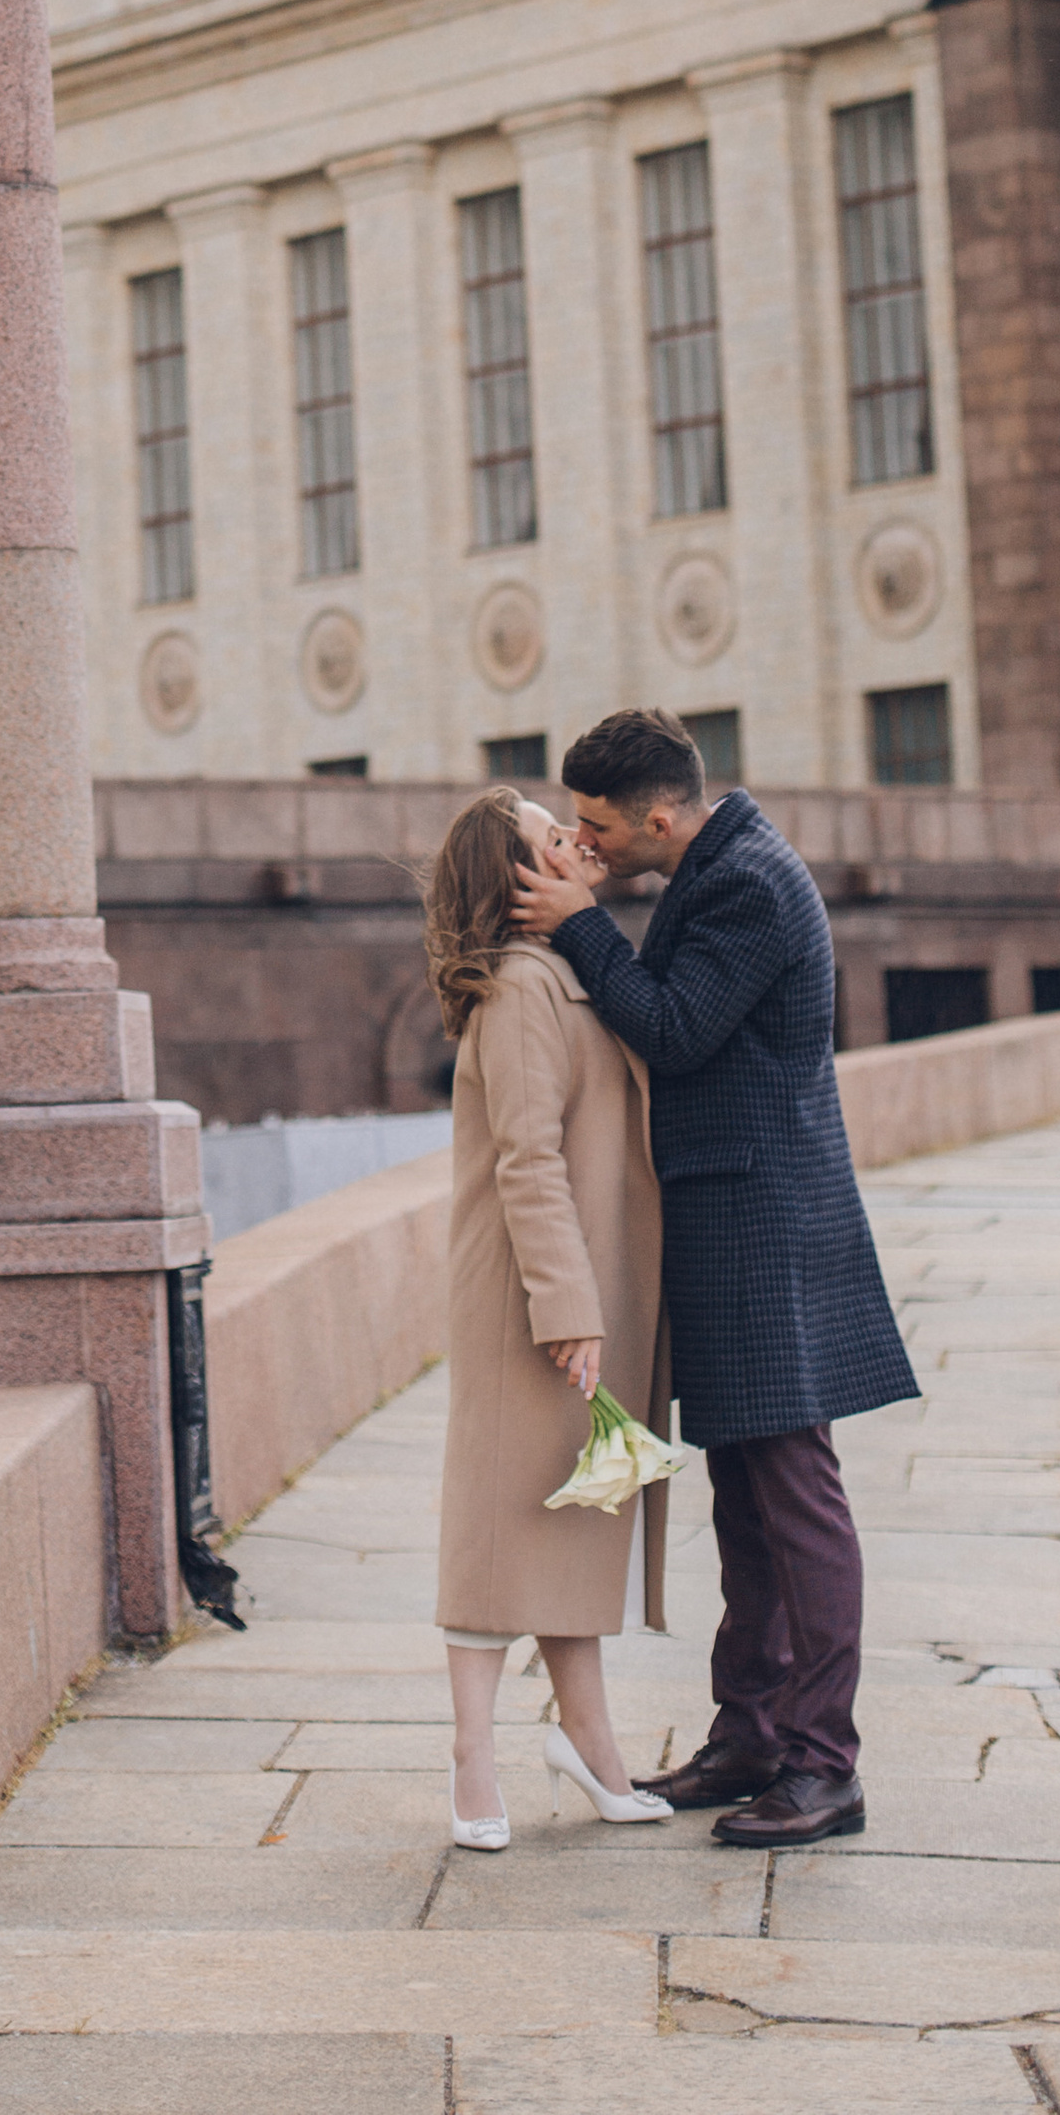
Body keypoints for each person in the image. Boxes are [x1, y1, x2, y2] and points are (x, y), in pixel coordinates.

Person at [511, 707, 917, 1845]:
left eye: (597, 827)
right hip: (732, 1218)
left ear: (657, 817)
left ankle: (825, 1765)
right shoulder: (720, 864)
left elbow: (675, 1030)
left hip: (763, 1226)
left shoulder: (748, 881)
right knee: (745, 1499)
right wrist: (595, 909)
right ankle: (748, 1737)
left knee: (795, 1499)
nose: (586, 844)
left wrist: (582, 924)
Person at [425, 784, 674, 1851]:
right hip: (533, 1295)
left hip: (583, 1288)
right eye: (546, 834)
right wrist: (566, 1307)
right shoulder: (526, 988)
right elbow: (526, 1162)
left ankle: (587, 1739)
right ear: (516, 877)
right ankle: (471, 1757)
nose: (572, 839)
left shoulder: (568, 971)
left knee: (571, 1517)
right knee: (498, 1524)